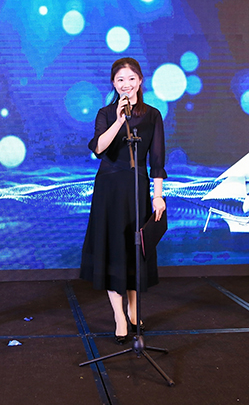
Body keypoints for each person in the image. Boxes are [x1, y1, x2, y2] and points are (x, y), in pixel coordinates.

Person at [80, 57, 167, 344]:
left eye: (131, 79)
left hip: (138, 188)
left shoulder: (152, 115)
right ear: (114, 84)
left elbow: (157, 159)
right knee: (113, 250)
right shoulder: (106, 113)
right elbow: (99, 148)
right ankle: (119, 315)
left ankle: (133, 310)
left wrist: (158, 196)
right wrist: (119, 120)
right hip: (109, 189)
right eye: (120, 80)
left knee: (134, 251)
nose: (126, 84)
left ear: (140, 81)